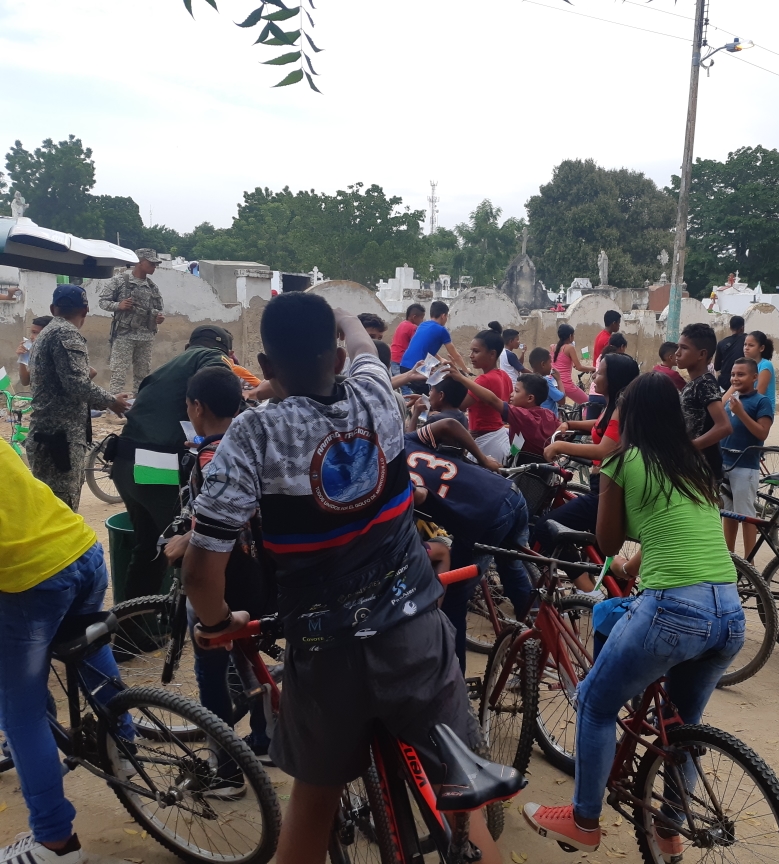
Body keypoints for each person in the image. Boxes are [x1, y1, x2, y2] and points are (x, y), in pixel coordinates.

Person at [182, 294, 497, 864]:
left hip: (324, 652)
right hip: (414, 636)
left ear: (267, 366)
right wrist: (339, 316)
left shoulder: (252, 435)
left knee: (311, 810)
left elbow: (202, 570)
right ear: (335, 359)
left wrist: (218, 623)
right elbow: (357, 336)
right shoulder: (376, 393)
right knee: (463, 807)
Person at [522, 371, 745, 854]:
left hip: (674, 609)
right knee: (681, 725)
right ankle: (670, 828)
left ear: (630, 416)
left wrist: (616, 542)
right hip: (729, 611)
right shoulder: (693, 462)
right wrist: (632, 564)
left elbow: (605, 542)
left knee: (594, 702)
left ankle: (583, 820)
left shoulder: (623, 461)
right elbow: (674, 526)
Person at [0, 440, 133, 864]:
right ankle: (124, 747)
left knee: (19, 715)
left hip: (31, 580)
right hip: (81, 550)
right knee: (91, 653)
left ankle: (56, 844)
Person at [160, 365, 272, 766]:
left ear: (197, 408)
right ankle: (264, 740)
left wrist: (188, 538)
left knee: (211, 664)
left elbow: (228, 515)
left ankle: (224, 769)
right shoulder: (248, 442)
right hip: (262, 571)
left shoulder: (212, 457)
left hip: (224, 576)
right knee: (249, 659)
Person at [111, 325, 233, 602]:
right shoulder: (212, 357)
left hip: (125, 463)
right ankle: (202, 618)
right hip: (157, 468)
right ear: (228, 352)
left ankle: (133, 621)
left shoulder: (166, 369)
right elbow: (215, 382)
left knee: (148, 548)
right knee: (193, 543)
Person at [404, 418, 531, 669]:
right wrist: (483, 459)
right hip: (509, 493)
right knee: (512, 569)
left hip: (485, 517)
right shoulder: (405, 441)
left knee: (453, 597)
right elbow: (449, 425)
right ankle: (536, 640)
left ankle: (456, 677)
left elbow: (417, 496)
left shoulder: (385, 471)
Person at [540, 354, 641, 586]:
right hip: (603, 485)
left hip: (606, 491)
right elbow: (599, 427)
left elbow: (605, 449)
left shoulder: (621, 408)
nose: (594, 376)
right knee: (601, 552)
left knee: (547, 528)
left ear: (613, 378)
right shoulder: (613, 406)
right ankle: (613, 589)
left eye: (600, 372)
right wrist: (570, 424)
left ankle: (586, 588)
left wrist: (560, 447)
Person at [27, 285, 130, 510]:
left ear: (53, 308)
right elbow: (76, 384)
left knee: (49, 507)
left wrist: (106, 400)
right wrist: (111, 401)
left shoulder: (47, 332)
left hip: (49, 435)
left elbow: (65, 386)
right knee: (62, 508)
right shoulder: (66, 333)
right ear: (85, 310)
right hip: (59, 438)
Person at [720, 358, 774, 557]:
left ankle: (749, 562)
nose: (735, 378)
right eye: (733, 374)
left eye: (741, 374)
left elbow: (762, 433)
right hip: (725, 464)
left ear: (754, 377)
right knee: (729, 513)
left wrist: (741, 413)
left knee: (745, 516)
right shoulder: (731, 399)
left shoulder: (761, 401)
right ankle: (730, 558)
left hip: (745, 466)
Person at [99, 248, 166, 394]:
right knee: (119, 373)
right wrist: (119, 305)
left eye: (155, 264)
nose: (154, 266)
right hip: (124, 335)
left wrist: (159, 318)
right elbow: (103, 302)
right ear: (139, 262)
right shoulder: (120, 281)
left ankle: (139, 401)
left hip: (146, 336)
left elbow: (159, 309)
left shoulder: (152, 287)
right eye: (151, 263)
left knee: (142, 374)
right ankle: (115, 403)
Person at [450, 368, 559, 459]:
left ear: (530, 398)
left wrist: (462, 379)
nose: (511, 394)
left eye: (516, 391)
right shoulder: (549, 414)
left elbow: (492, 401)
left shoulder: (523, 415)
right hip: (545, 470)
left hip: (524, 471)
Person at [676, 322, 731, 483]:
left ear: (702, 354)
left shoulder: (705, 384)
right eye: (678, 347)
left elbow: (724, 426)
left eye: (684, 348)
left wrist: (689, 447)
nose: (677, 353)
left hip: (702, 471)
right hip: (691, 468)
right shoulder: (695, 383)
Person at [459, 328, 513, 464]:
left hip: (487, 441)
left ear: (492, 354)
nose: (471, 355)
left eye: (476, 351)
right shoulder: (504, 376)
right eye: (471, 351)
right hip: (499, 436)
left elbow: (460, 405)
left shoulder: (484, 380)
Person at [398, 300, 467, 394]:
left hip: (403, 365)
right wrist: (465, 370)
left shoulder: (422, 325)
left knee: (416, 395)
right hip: (416, 369)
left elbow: (425, 347)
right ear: (443, 316)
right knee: (430, 396)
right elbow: (455, 355)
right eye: (447, 316)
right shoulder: (442, 330)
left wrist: (441, 359)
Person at [404, 377, 469, 432]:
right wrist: (425, 399)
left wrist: (416, 413)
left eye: (431, 390)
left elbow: (410, 440)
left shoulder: (435, 419)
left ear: (441, 395)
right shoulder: (463, 417)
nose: (429, 393)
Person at [552, 323, 593, 406]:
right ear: (570, 336)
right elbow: (579, 367)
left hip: (554, 383)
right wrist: (593, 369)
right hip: (566, 384)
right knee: (588, 403)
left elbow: (559, 362)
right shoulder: (570, 348)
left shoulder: (552, 347)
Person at [390, 303, 425, 389]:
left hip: (393, 358)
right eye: (421, 318)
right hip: (401, 360)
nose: (422, 321)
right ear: (414, 317)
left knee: (398, 385)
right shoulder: (413, 327)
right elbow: (417, 346)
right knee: (405, 387)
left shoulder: (402, 324)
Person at [528, 346, 567, 416]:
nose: (551, 366)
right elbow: (562, 400)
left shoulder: (529, 379)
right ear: (543, 364)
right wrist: (559, 380)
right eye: (550, 363)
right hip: (549, 420)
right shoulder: (545, 381)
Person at [16, 315, 51, 387]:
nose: (31, 337)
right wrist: (22, 358)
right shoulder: (37, 355)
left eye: (35, 332)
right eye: (31, 332)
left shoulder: (57, 354)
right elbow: (25, 381)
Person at [714, 315, 746, 391]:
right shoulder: (747, 340)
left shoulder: (721, 343)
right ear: (742, 328)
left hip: (724, 382)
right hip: (742, 380)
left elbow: (717, 367)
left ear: (730, 327)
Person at [743, 330, 775, 404]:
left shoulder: (765, 365)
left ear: (761, 348)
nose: (746, 348)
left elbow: (759, 394)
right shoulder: (746, 365)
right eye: (745, 344)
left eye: (751, 345)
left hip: (762, 408)